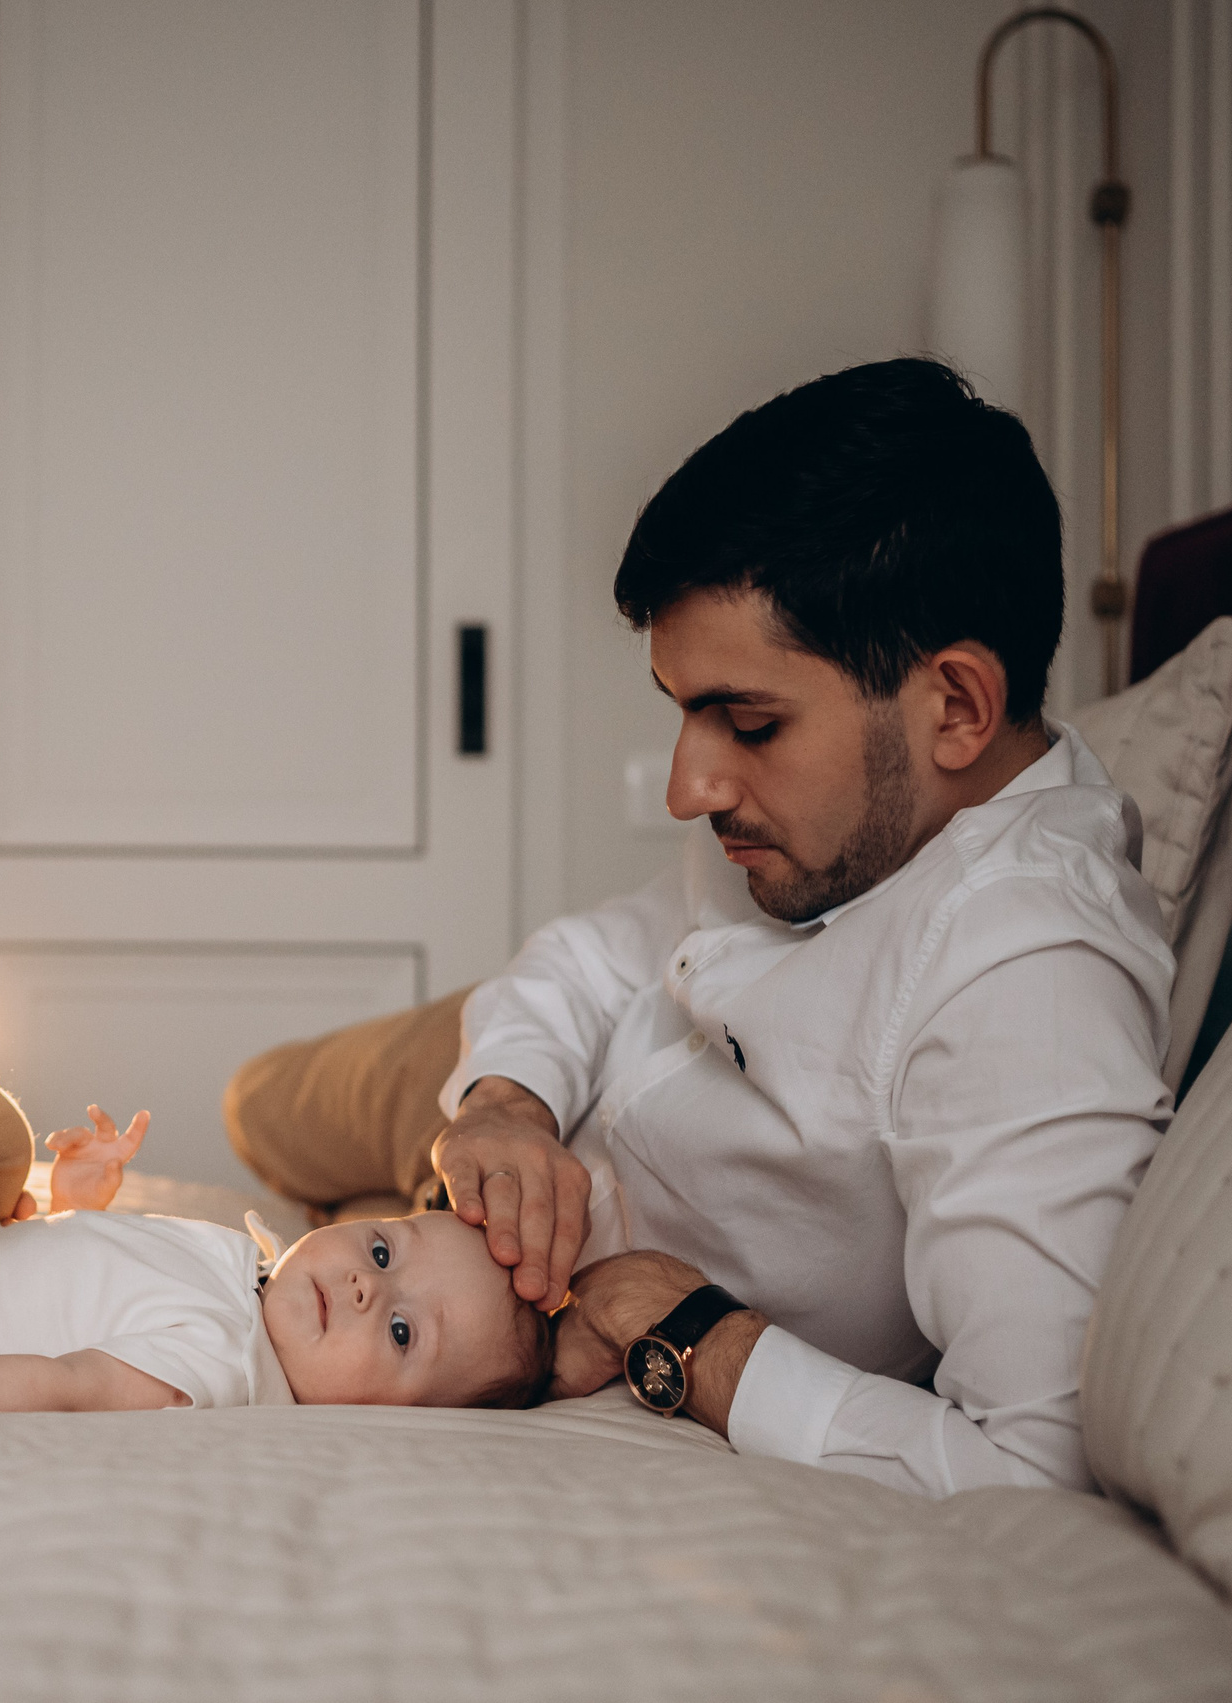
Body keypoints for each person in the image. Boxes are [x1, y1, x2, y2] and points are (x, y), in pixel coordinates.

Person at [236, 359, 1174, 1496]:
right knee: (260, 1105)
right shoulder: (824, 828)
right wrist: (506, 1104)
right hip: (511, 1086)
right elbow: (593, 955)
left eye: (748, 721)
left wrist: (683, 1327)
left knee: (284, 1159)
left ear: (958, 706)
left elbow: (1033, 1465)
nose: (688, 789)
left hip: (494, 1265)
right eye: (685, 711)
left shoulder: (1030, 984)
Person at [0, 883, 559, 1414]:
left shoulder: (226, 1366)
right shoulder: (253, 1280)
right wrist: (75, 1207)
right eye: (382, 1251)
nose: (363, 1288)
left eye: (402, 1333)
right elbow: (100, 1295)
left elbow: (67, 1382)